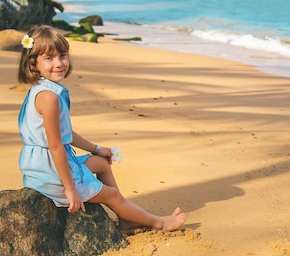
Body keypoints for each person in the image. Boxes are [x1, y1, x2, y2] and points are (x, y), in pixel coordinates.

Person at [16, 25, 185, 232]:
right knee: (111, 196)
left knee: (102, 163)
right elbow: (55, 146)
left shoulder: (45, 89)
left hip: (48, 163)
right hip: (50, 172)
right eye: (49, 58)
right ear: (34, 65)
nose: (59, 63)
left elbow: (65, 134)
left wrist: (96, 149)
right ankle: (159, 222)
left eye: (62, 55)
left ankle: (126, 218)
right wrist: (70, 189)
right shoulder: (48, 98)